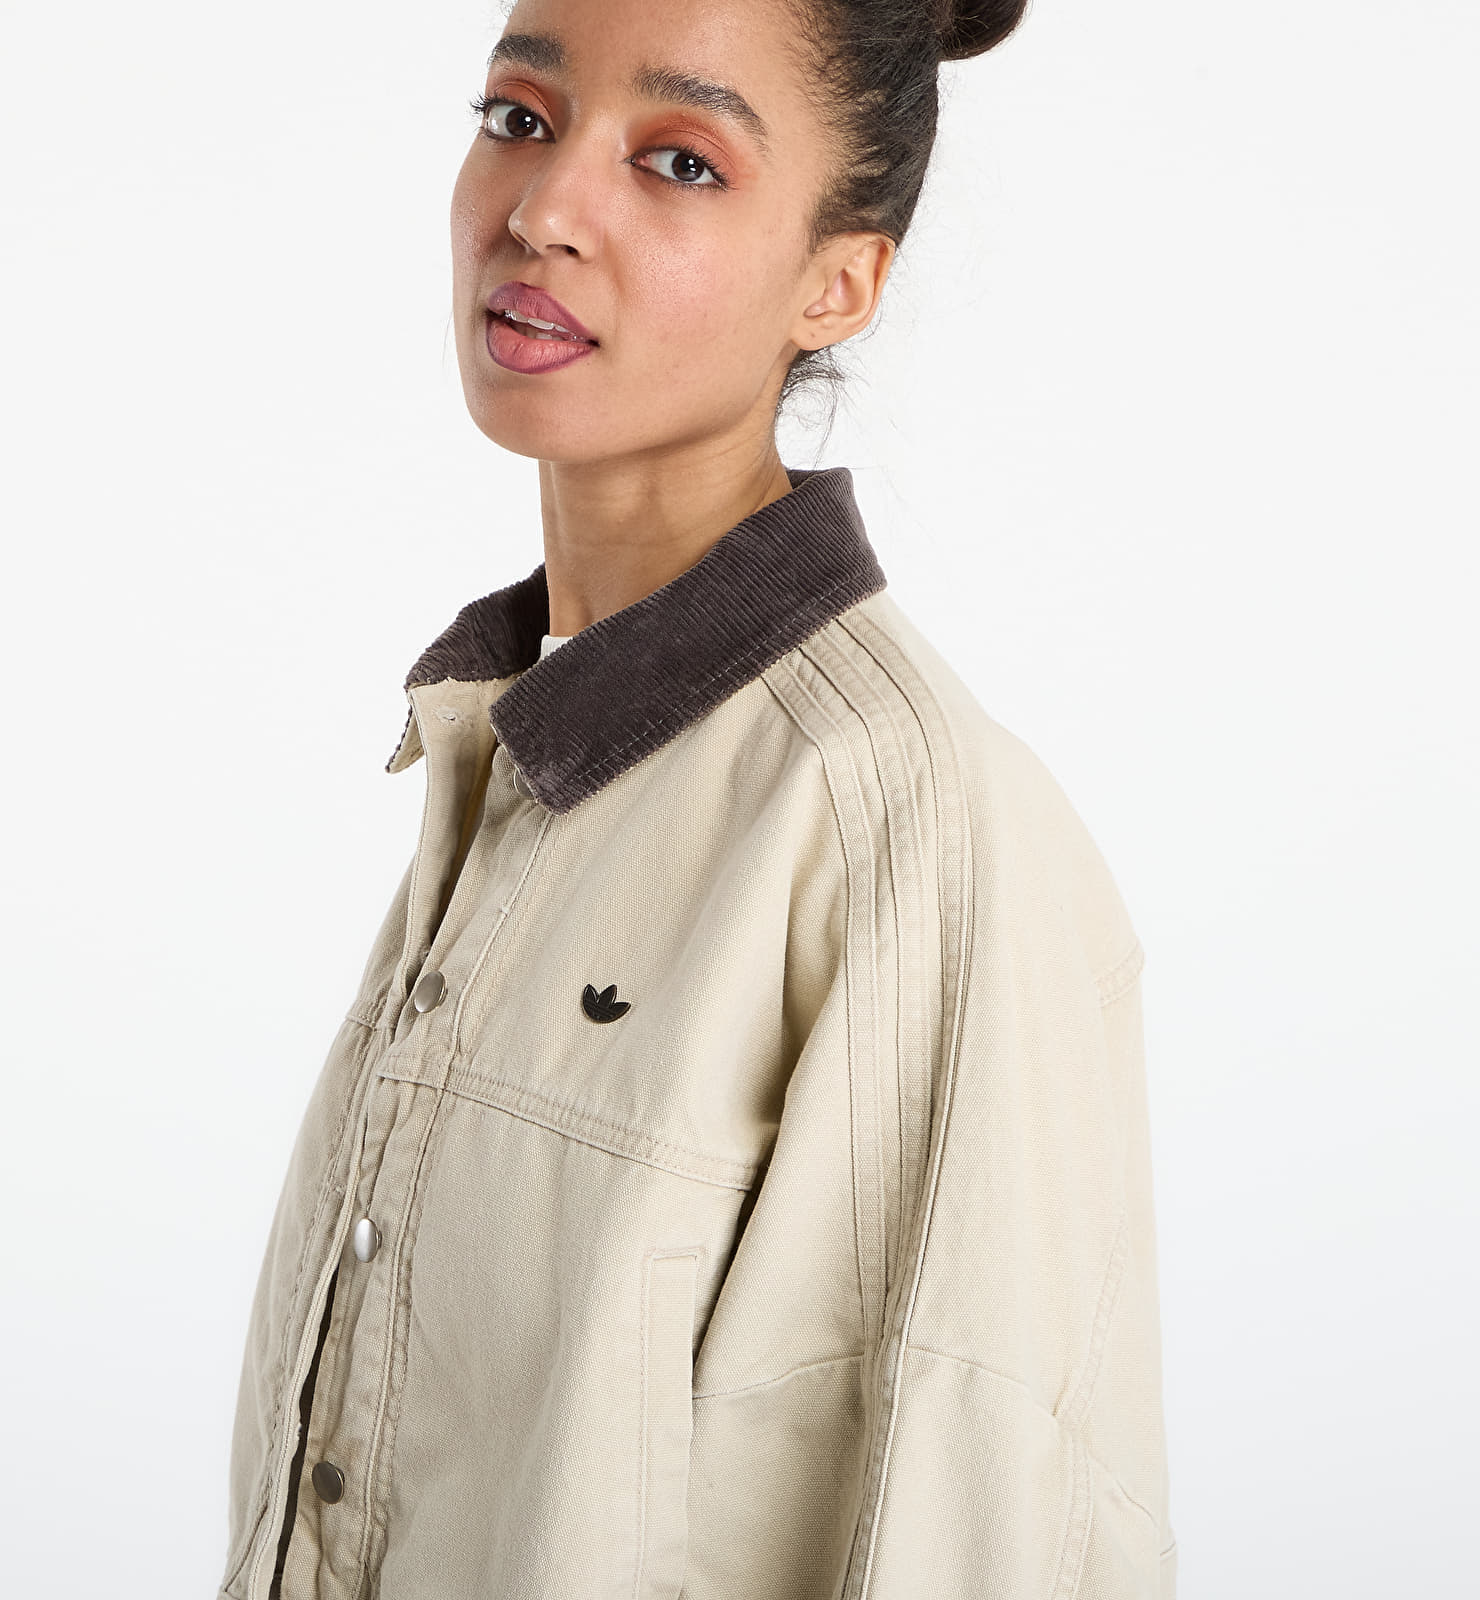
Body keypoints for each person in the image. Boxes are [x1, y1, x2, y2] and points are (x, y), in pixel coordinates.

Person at [220, 0, 1176, 1595]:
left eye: (680, 161)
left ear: (837, 281)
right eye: (520, 118)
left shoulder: (907, 828)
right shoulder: (509, 753)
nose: (545, 209)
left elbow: (980, 1516)